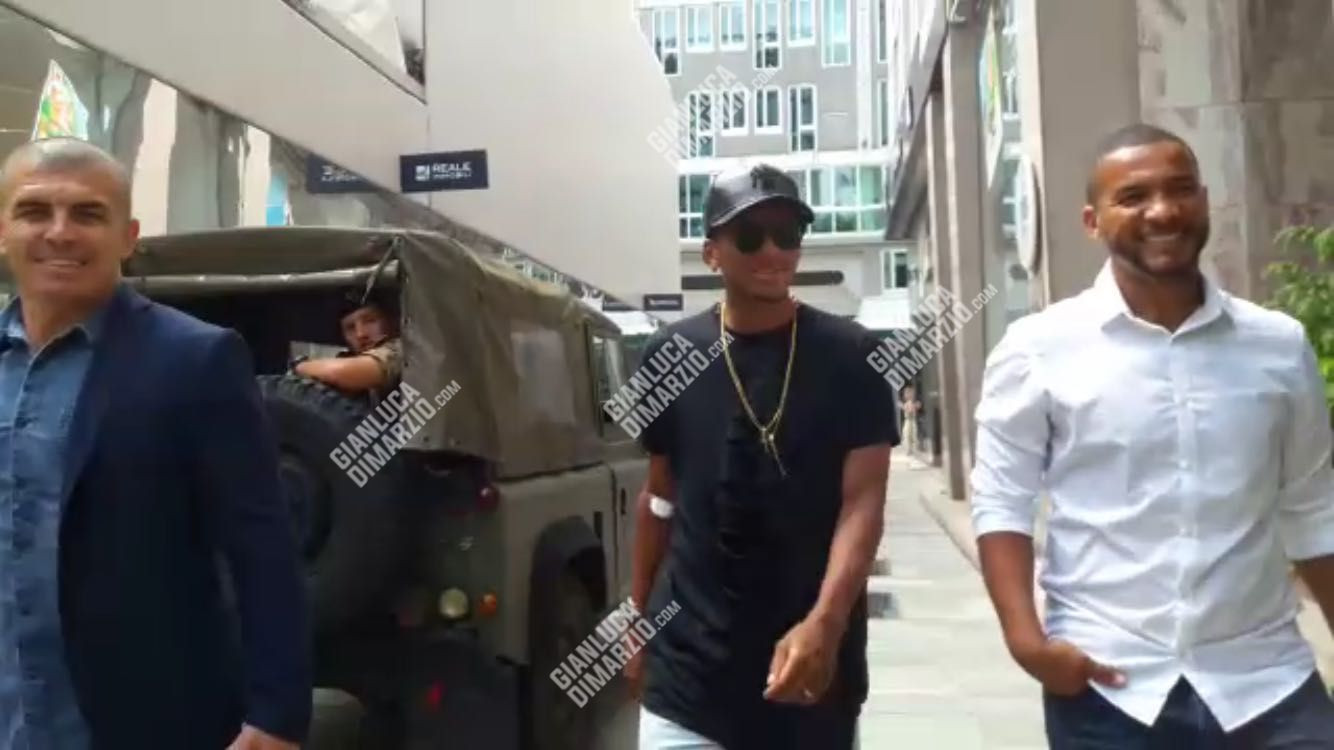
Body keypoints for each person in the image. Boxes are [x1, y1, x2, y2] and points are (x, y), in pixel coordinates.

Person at [970, 123, 1334, 747]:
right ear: (1093, 221)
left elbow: (1312, 506)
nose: (1163, 211)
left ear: (1204, 201)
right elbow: (1002, 501)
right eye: (1133, 196)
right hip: (1109, 686)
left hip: (1266, 681)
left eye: (1180, 190)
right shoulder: (1037, 350)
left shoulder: (1277, 345)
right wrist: (1028, 644)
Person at [0, 137, 310, 749]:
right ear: (2, 231)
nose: (59, 232)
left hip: (140, 718)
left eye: (88, 213)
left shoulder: (196, 359)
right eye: (34, 211)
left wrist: (276, 715)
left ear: (128, 236)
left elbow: (262, 549)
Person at [628, 164, 899, 749]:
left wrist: (826, 623)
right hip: (686, 678)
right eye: (750, 237)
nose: (773, 251)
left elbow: (863, 505)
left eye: (787, 234)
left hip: (808, 676)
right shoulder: (670, 353)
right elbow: (659, 498)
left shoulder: (852, 356)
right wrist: (637, 618)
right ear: (712, 254)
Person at [293, 288, 401, 400]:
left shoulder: (403, 350)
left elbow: (338, 372)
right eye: (350, 327)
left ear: (391, 322)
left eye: (370, 321)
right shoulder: (349, 358)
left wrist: (299, 366)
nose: (360, 334)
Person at [899, 385, 920, 453]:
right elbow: (906, 408)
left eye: (910, 393)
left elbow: (912, 409)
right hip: (907, 420)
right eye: (907, 393)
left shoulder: (914, 403)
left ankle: (914, 448)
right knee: (907, 434)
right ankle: (908, 448)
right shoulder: (906, 403)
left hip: (912, 420)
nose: (909, 395)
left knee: (913, 434)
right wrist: (904, 406)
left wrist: (906, 407)